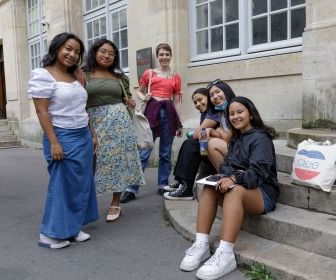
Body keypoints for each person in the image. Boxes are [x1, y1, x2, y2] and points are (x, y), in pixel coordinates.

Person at [179, 96, 280, 280]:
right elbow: (227, 165)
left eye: (240, 112)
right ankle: (201, 245)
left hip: (262, 191)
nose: (235, 117)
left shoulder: (260, 138)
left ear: (250, 114)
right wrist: (224, 175)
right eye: (231, 114)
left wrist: (234, 178)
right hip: (242, 185)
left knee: (235, 190)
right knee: (209, 187)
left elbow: (258, 172)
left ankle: (225, 254)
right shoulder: (236, 138)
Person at [27, 32, 99, 249]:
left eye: (77, 51)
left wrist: (92, 133)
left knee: (81, 182)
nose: (72, 54)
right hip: (62, 135)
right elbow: (42, 112)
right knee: (62, 185)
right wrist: (54, 142)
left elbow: (81, 108)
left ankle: (72, 228)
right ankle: (49, 235)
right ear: (57, 48)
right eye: (68, 48)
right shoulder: (43, 75)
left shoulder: (76, 76)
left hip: (83, 135)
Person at [83, 38, 145, 222]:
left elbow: (127, 100)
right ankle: (84, 203)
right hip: (92, 122)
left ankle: (115, 202)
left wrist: (131, 104)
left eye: (111, 53)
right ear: (95, 52)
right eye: (103, 51)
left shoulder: (119, 77)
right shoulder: (82, 74)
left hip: (120, 124)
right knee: (90, 162)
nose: (107, 55)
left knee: (117, 162)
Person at [120, 43, 182, 203]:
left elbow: (176, 100)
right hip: (152, 112)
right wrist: (143, 97)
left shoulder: (175, 76)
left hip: (168, 113)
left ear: (171, 55)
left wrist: (179, 122)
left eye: (167, 54)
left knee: (165, 154)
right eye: (161, 54)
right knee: (144, 151)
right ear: (157, 56)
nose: (164, 57)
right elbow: (139, 91)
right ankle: (131, 188)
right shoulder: (150, 73)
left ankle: (162, 184)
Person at [163, 80, 235, 201]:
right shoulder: (220, 111)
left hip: (233, 152)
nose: (198, 104)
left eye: (201, 99)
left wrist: (215, 132)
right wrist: (214, 132)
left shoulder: (220, 111)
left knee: (192, 144)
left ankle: (185, 187)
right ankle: (181, 181)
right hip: (222, 149)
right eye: (212, 95)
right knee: (189, 143)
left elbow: (198, 135)